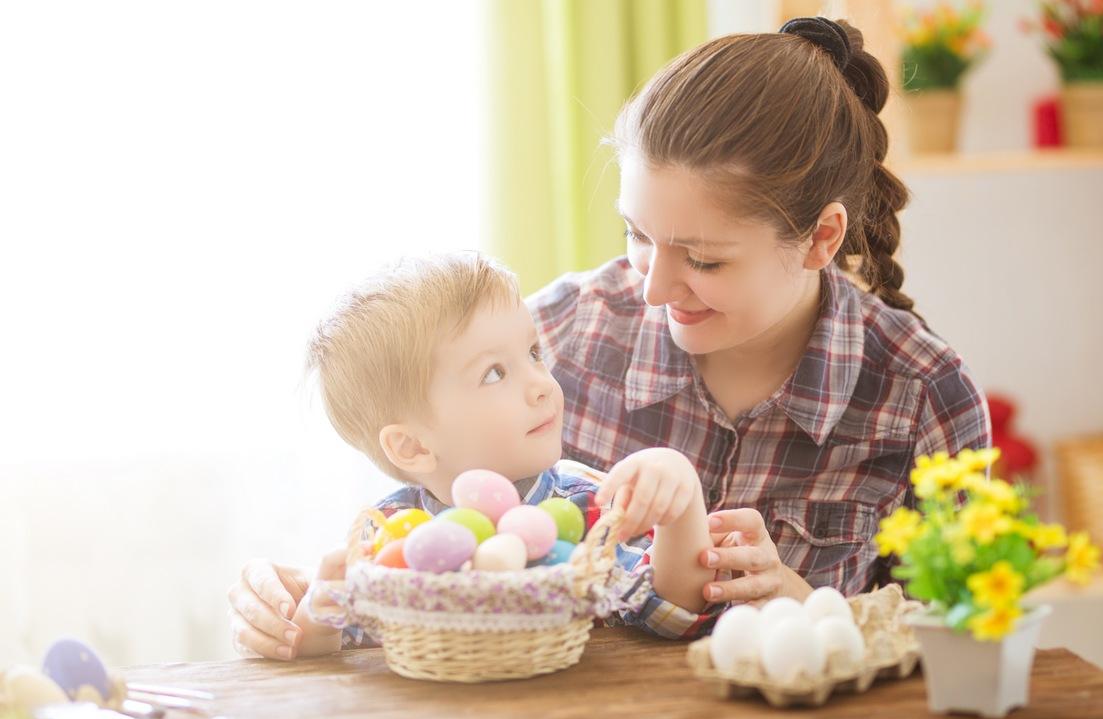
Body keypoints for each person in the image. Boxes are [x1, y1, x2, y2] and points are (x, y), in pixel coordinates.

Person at [229, 17, 989, 659]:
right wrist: (311, 605)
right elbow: (440, 548)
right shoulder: (556, 334)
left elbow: (968, 652)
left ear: (822, 238)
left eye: (704, 258)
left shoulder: (921, 398)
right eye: (636, 234)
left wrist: (813, 607)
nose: (654, 288)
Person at [283, 252, 719, 657]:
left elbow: (673, 616)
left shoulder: (585, 507)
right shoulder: (391, 537)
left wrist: (681, 505)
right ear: (412, 447)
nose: (542, 383)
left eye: (533, 353)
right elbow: (333, 653)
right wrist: (319, 620)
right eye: (494, 373)